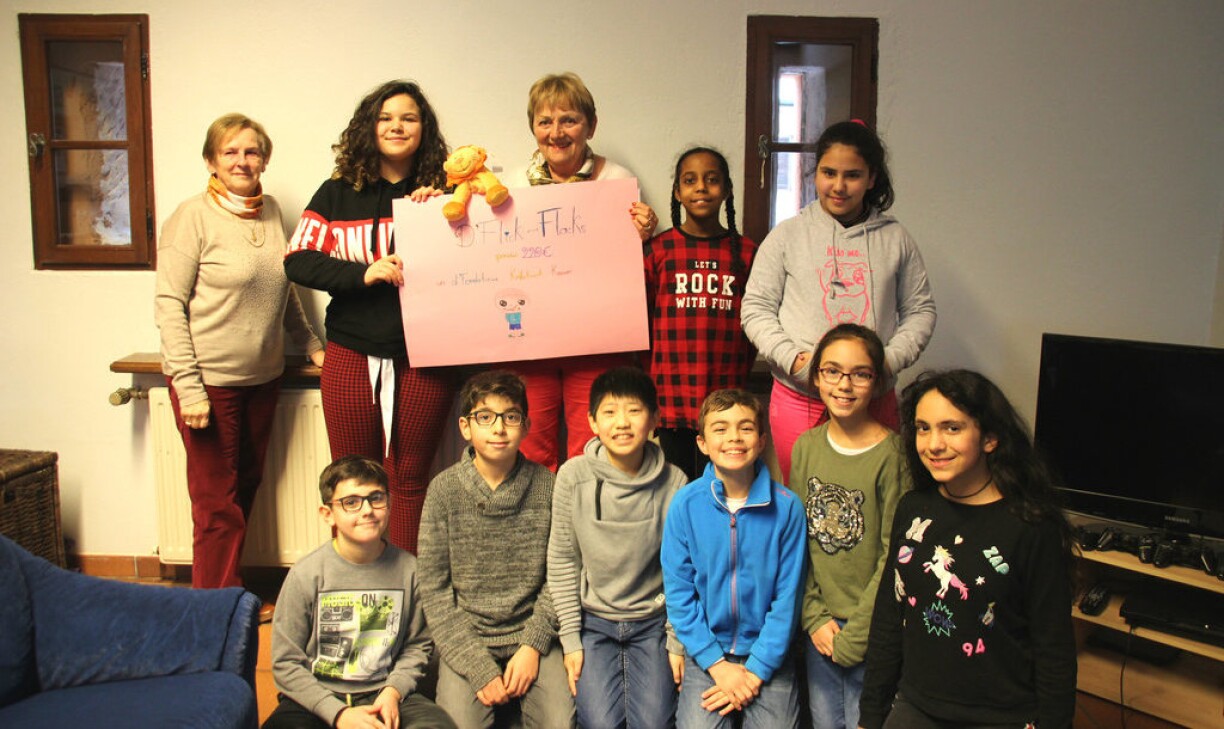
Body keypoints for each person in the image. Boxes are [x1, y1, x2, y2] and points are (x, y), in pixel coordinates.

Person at [154, 113, 324, 600]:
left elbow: (282, 287)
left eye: (251, 152)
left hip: (262, 379)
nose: (242, 161)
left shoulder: (270, 211)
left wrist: (311, 343)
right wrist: (189, 388)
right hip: (209, 383)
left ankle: (228, 593)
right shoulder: (191, 217)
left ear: (264, 160)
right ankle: (214, 609)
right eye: (230, 152)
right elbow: (169, 304)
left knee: (243, 489)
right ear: (211, 161)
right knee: (216, 506)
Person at [285, 80, 455, 554]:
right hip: (352, 350)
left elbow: (483, 260)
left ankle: (407, 585)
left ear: (424, 129)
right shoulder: (337, 193)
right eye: (386, 118)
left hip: (426, 355)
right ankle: (354, 581)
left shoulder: (446, 194)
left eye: (409, 118)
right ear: (369, 127)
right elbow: (298, 259)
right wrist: (363, 273)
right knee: (353, 478)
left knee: (410, 478)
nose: (397, 127)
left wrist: (444, 211)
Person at [858, 370, 1077, 729]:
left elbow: (1054, 650)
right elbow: (888, 619)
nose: (933, 444)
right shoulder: (913, 509)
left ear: (990, 438)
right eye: (923, 428)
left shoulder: (1032, 528)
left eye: (952, 428)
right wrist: (870, 717)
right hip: (916, 706)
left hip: (1002, 717)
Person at [741, 119, 936, 484]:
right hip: (801, 397)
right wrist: (793, 360)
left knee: (874, 492)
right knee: (802, 497)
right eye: (829, 173)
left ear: (872, 178)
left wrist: (887, 362)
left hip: (872, 397)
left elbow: (920, 310)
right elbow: (755, 308)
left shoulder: (896, 239)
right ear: (815, 173)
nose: (839, 186)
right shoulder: (787, 235)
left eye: (853, 175)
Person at [507, 72, 659, 472]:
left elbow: (629, 265)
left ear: (591, 126)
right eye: (545, 121)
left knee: (592, 449)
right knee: (530, 450)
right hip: (532, 342)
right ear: (533, 128)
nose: (556, 133)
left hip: (596, 341)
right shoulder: (510, 187)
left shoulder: (618, 180)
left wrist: (644, 233)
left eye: (569, 120)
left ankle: (585, 515)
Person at [417, 370, 575, 727]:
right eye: (485, 417)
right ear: (465, 427)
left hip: (533, 632)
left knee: (561, 722)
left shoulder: (548, 486)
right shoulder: (443, 490)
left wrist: (533, 645)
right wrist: (477, 667)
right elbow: (434, 591)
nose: (499, 428)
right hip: (467, 636)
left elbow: (560, 575)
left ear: (526, 425)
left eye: (511, 417)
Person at [264, 456, 455, 729]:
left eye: (376, 498)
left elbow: (418, 646)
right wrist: (338, 714)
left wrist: (393, 691)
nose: (367, 510)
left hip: (384, 692)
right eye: (351, 502)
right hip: (318, 696)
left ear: (389, 504)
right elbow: (286, 662)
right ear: (328, 514)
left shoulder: (410, 570)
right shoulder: (305, 574)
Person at [546, 366, 688, 728]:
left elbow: (682, 571)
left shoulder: (675, 482)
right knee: (599, 723)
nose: (622, 423)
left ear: (654, 419)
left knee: (655, 722)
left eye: (634, 411)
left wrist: (675, 641)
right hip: (593, 622)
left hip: (651, 622)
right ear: (593, 422)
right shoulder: (573, 476)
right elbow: (563, 561)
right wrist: (571, 640)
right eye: (609, 412)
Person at [788, 324, 910, 729]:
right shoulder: (806, 446)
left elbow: (895, 554)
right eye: (832, 371)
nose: (844, 384)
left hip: (871, 628)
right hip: (820, 627)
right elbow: (795, 541)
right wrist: (813, 615)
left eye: (860, 373)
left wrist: (856, 635)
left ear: (877, 382)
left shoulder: (893, 456)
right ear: (816, 377)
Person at [661, 389, 805, 728]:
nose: (734, 438)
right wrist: (718, 666)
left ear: (762, 440)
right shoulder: (684, 505)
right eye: (720, 428)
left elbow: (787, 600)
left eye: (746, 427)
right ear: (702, 443)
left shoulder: (787, 508)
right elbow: (680, 596)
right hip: (708, 651)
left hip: (769, 652)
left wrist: (754, 673)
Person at [644, 146, 758, 479]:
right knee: (677, 486)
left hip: (727, 396)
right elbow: (642, 322)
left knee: (725, 484)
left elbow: (756, 324)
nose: (701, 188)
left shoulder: (747, 252)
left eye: (712, 180)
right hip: (672, 397)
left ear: (727, 190)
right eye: (690, 180)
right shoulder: (658, 250)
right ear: (677, 192)